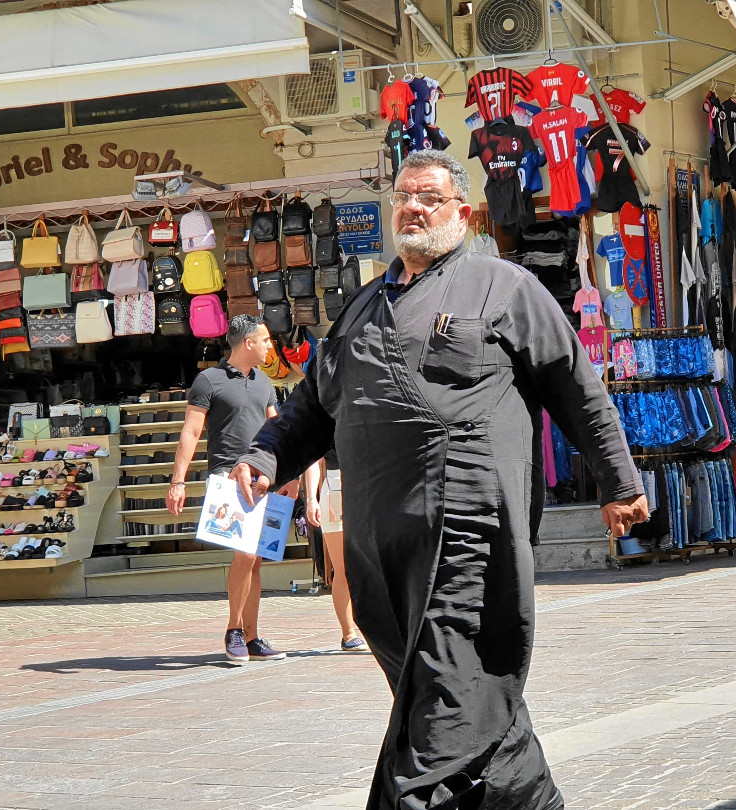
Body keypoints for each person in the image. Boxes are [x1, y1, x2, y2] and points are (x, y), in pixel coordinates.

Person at [233, 149, 647, 810]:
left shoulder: (503, 287)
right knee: (459, 698)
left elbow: (577, 386)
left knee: (450, 695)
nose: (414, 206)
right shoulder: (363, 305)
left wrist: (618, 480)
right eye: (404, 195)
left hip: (468, 538)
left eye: (429, 196)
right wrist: (263, 459)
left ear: (462, 211)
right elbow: (313, 405)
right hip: (381, 559)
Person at [166, 314, 298, 665]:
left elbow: (277, 430)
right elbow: (191, 432)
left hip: (262, 478)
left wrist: (289, 474)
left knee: (255, 560)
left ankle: (251, 636)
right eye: (266, 340)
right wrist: (178, 482)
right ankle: (234, 630)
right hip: (228, 477)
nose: (270, 346)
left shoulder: (265, 382)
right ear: (248, 343)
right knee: (244, 554)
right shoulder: (208, 380)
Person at [303, 451, 367, 652]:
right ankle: (348, 633)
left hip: (365, 484)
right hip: (334, 487)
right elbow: (313, 459)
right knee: (342, 568)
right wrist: (311, 498)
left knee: (371, 566)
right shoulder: (326, 421)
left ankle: (377, 630)